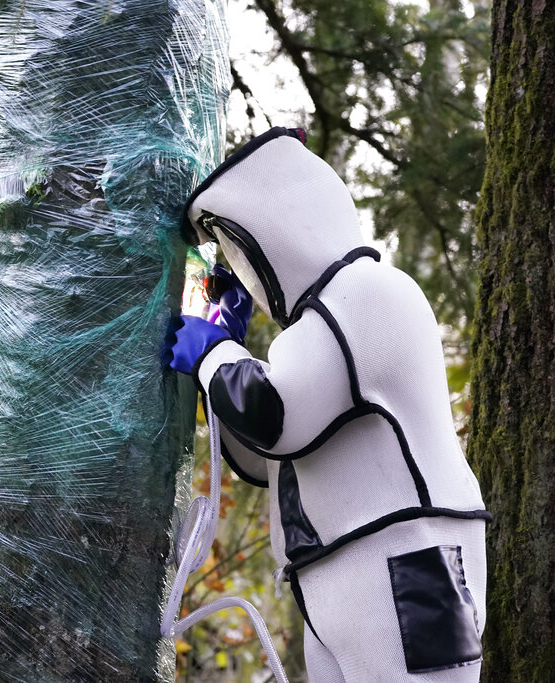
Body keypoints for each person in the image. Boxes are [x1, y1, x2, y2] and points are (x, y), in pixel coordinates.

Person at [168, 126, 490, 682]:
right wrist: (227, 359)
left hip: (408, 568)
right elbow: (265, 460)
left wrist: (216, 354)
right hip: (338, 581)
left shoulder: (368, 294)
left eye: (240, 255)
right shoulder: (318, 328)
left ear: (275, 239)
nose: (243, 275)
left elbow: (276, 419)